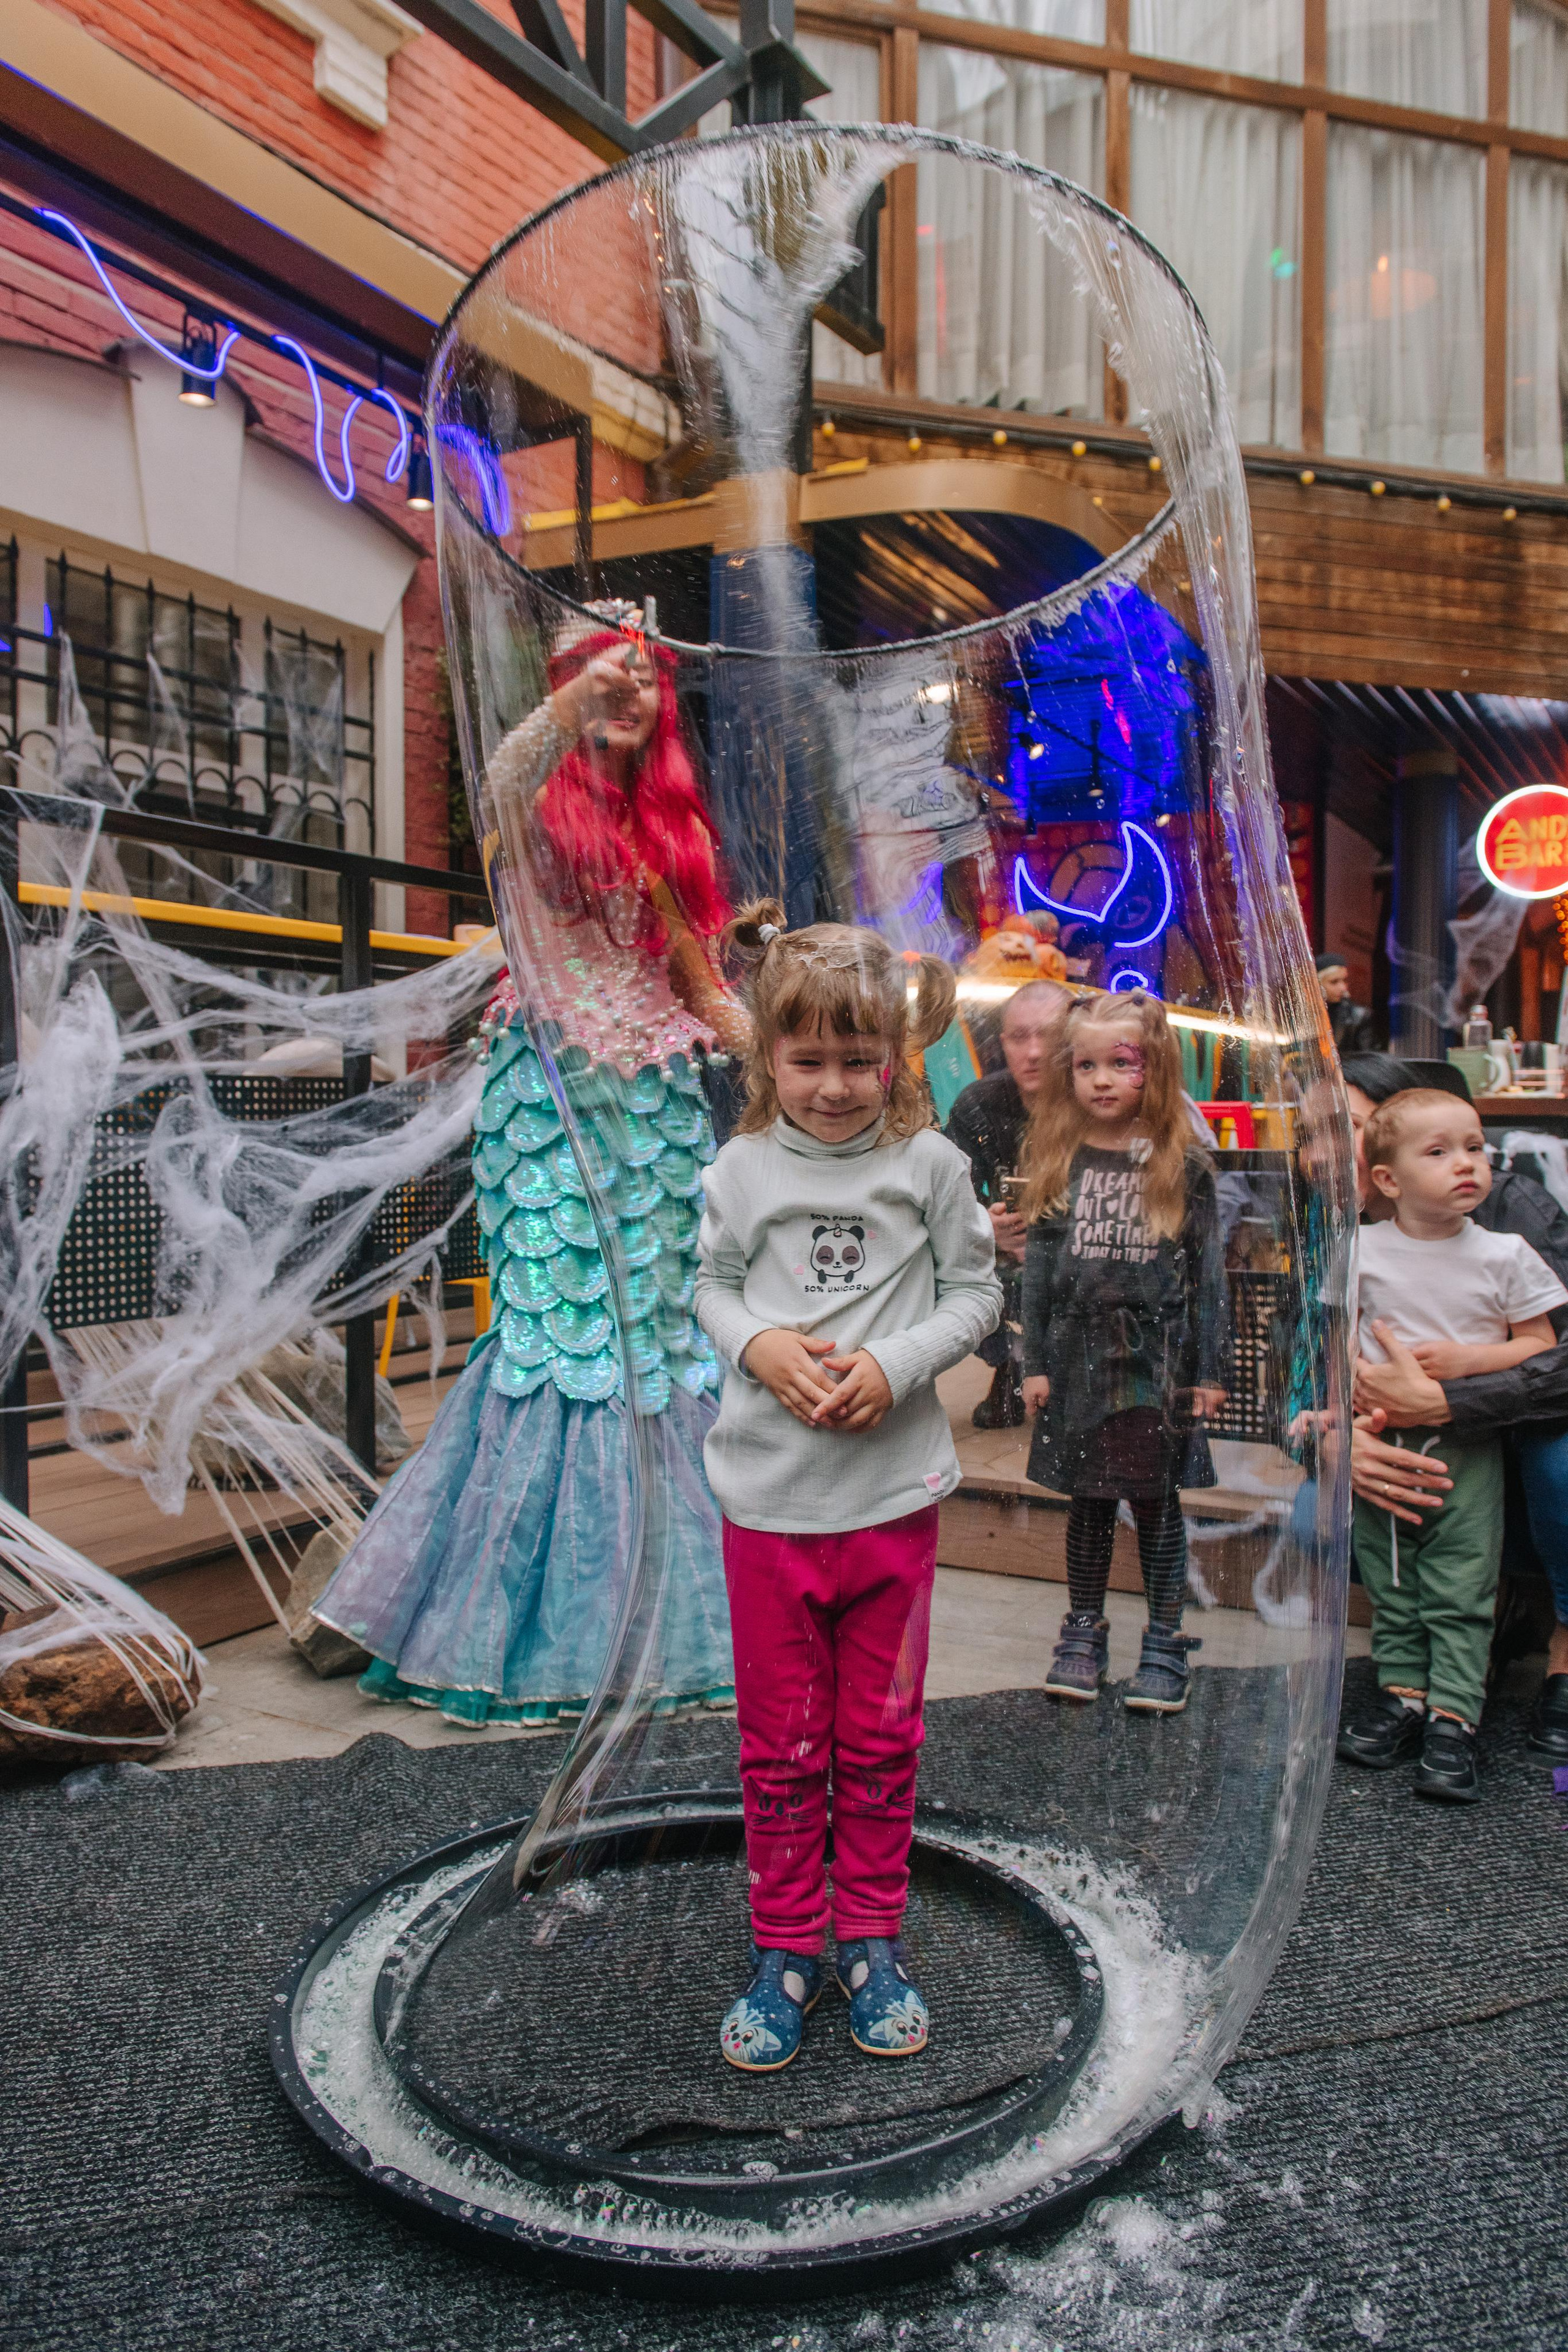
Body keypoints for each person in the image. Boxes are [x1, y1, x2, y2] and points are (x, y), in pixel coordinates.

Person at [317, 601, 744, 1725]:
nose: (633, 686)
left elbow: (705, 995)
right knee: (560, 1335)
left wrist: (811, 1056)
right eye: (611, 668)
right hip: (550, 1096)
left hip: (654, 1107)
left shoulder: (666, 845)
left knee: (659, 1338)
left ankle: (674, 1614)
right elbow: (505, 768)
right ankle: (516, 1628)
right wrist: (583, 690)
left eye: (649, 672)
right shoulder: (525, 815)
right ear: (568, 684)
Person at [695, 905, 1000, 2072]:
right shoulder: (740, 1167)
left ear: (898, 1057)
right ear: (769, 1057)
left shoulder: (930, 1166)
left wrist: (895, 1364)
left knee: (880, 1738)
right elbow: (712, 1287)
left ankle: (871, 1938)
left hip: (893, 1504)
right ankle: (785, 1949)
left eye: (858, 1060)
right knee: (780, 1750)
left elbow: (974, 1298)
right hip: (769, 1509)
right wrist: (758, 1347)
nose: (833, 1086)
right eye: (808, 1060)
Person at [1341, 1090, 1567, 1801]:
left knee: (1462, 1583)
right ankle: (1402, 1692)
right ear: (1388, 1179)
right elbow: (1332, 1335)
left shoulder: (1505, 1253)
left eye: (1473, 1147)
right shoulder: (1362, 1249)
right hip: (1384, 1437)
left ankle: (1454, 1716)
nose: (1466, 1165)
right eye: (1438, 1153)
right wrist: (1355, 1388)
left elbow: (1540, 1343)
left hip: (1466, 1441)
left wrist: (1467, 1364)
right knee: (1393, 1576)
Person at [1018, 990, 1229, 1717]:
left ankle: (1165, 1638)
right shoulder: (1061, 1159)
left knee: (1156, 1502)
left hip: (1154, 1365)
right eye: (1085, 1066)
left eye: (1121, 1063)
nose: (1101, 1079)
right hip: (1078, 1360)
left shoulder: (1182, 1165)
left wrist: (1209, 1371)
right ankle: (1083, 1630)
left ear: (1156, 1069)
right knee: (1089, 1500)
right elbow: (1038, 1275)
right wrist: (1033, 1363)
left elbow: (1207, 1278)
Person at [946, 978, 1070, 1428]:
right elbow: (940, 1201)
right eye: (1020, 1037)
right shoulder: (978, 1103)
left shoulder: (1106, 1099)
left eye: (1051, 1036)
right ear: (1003, 1043)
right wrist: (985, 1228)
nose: (1034, 1052)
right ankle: (1011, 1365)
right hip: (1007, 1259)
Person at [1316, 951, 1378, 1056]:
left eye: (1345, 981)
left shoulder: (1359, 1015)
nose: (1343, 988)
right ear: (1317, 983)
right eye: (1334, 982)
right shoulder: (1304, 1014)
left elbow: (1370, 1061)